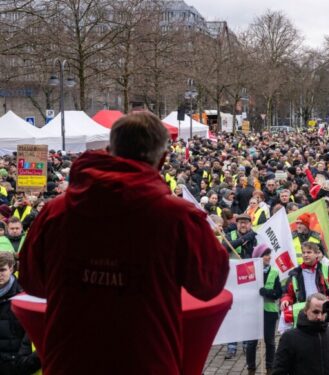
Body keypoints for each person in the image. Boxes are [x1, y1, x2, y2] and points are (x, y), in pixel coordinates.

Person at [19, 112, 230, 374]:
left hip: (70, 362)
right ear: (163, 159)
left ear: (109, 150)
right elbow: (208, 286)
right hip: (147, 362)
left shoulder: (54, 211)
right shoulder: (180, 218)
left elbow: (32, 282)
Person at [272, 293, 329, 375]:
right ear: (306, 310)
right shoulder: (289, 337)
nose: (319, 316)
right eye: (315, 312)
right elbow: (279, 371)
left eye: (323, 312)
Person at [280, 242, 329, 326]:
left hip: (323, 312)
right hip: (304, 312)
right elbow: (287, 293)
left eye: (309, 252)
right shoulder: (295, 273)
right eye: (304, 252)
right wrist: (285, 300)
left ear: (317, 254)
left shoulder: (328, 270)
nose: (305, 255)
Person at [0, 252, 41, 375]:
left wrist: (22, 358)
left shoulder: (25, 294)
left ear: (12, 268)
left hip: (17, 364)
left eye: (2, 270)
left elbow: (32, 330)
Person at [246, 244, 282, 373]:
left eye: (269, 254)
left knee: (270, 341)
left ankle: (269, 367)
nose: (269, 257)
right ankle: (251, 368)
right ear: (258, 257)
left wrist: (266, 292)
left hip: (269, 312)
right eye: (266, 255)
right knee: (251, 342)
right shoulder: (250, 271)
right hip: (253, 311)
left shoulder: (274, 272)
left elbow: (278, 293)